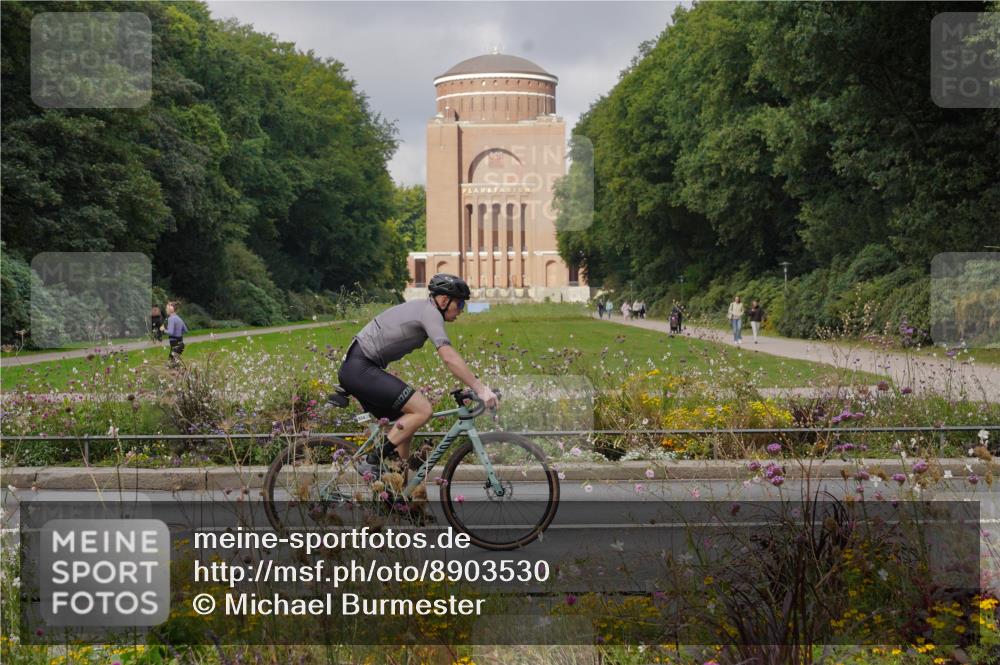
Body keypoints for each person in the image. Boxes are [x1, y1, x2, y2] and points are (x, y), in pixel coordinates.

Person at [338, 273, 497, 473]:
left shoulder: (425, 309)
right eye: (460, 304)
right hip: (360, 368)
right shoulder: (430, 313)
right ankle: (372, 461)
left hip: (359, 368)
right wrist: (480, 388)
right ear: (444, 300)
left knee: (404, 429)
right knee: (423, 410)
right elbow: (448, 357)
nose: (461, 310)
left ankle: (400, 490)